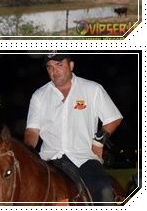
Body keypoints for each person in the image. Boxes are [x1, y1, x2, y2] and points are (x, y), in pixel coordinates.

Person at [24, 53, 123, 205]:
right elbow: (32, 131)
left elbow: (114, 118)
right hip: (49, 158)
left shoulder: (92, 89)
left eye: (59, 65)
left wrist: (98, 141)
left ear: (71, 66)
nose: (54, 71)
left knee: (104, 189)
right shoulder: (39, 95)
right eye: (50, 67)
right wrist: (28, 153)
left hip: (83, 157)